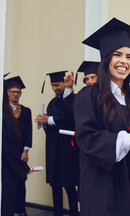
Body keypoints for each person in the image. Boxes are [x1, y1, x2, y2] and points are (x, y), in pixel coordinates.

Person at [73, 17, 130, 216]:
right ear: (105, 60)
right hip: (104, 189)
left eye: (129, 57)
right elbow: (88, 139)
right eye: (117, 55)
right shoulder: (89, 96)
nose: (124, 61)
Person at [35, 71, 79, 216]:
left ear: (65, 84)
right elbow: (53, 125)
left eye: (57, 85)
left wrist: (50, 120)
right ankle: (57, 213)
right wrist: (44, 123)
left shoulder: (75, 100)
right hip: (54, 148)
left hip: (68, 149)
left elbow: (71, 120)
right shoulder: (53, 103)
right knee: (55, 184)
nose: (54, 88)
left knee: (69, 184)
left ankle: (74, 213)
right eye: (52, 86)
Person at [1, 79, 30, 216]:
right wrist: (15, 119)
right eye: (13, 91)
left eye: (18, 92)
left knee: (21, 180)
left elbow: (28, 132)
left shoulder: (25, 111)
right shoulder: (3, 111)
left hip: (19, 150)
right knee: (8, 182)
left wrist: (25, 150)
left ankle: (21, 209)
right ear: (7, 93)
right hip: (7, 152)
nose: (15, 94)